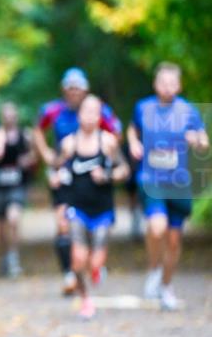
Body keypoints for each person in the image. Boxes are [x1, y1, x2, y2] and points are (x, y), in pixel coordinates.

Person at [32, 67, 122, 296]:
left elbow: (117, 133)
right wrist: (47, 157)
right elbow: (37, 131)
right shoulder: (53, 110)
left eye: (78, 87)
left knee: (92, 232)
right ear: (64, 89)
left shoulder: (99, 110)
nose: (73, 91)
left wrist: (107, 162)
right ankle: (70, 272)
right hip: (65, 173)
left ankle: (92, 266)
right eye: (70, 87)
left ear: (85, 89)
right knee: (63, 224)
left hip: (92, 178)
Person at [127, 62, 209, 311]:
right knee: (156, 227)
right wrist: (133, 143)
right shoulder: (143, 107)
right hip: (151, 179)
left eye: (173, 84)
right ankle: (153, 268)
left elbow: (204, 140)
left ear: (179, 85)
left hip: (178, 183)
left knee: (173, 240)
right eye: (164, 83)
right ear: (155, 84)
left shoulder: (188, 111)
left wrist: (197, 141)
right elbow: (132, 129)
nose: (168, 88)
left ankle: (166, 285)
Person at [51, 95, 130, 320]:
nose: (89, 117)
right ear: (79, 115)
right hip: (77, 207)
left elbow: (124, 170)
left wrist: (106, 175)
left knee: (95, 261)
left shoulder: (108, 142)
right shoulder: (69, 143)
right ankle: (85, 300)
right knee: (77, 258)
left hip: (102, 208)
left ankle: (96, 269)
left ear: (99, 117)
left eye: (94, 113)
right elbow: (55, 168)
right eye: (85, 112)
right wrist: (56, 177)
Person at [0, 102, 37, 277]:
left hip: (17, 184)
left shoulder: (25, 135)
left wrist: (28, 160)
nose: (9, 118)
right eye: (6, 115)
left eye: (12, 115)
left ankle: (13, 257)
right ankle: (4, 256)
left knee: (13, 218)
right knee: (1, 225)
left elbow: (34, 156)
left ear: (16, 116)